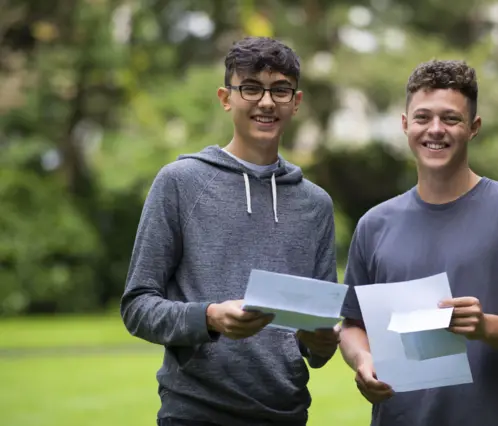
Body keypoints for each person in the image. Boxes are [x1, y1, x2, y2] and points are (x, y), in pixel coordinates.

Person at [338, 59, 498, 426]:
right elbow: (353, 325)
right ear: (404, 124)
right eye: (422, 117)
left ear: (473, 127)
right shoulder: (374, 224)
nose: (435, 130)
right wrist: (362, 360)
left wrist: (485, 327)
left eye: (451, 118)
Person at [120, 36, 340, 426]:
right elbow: (137, 306)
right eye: (251, 88)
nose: (267, 102)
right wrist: (208, 318)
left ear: (296, 101)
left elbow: (317, 341)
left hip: (286, 415)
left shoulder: (316, 204)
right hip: (194, 413)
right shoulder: (179, 182)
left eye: (280, 90)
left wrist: (322, 341)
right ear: (226, 98)